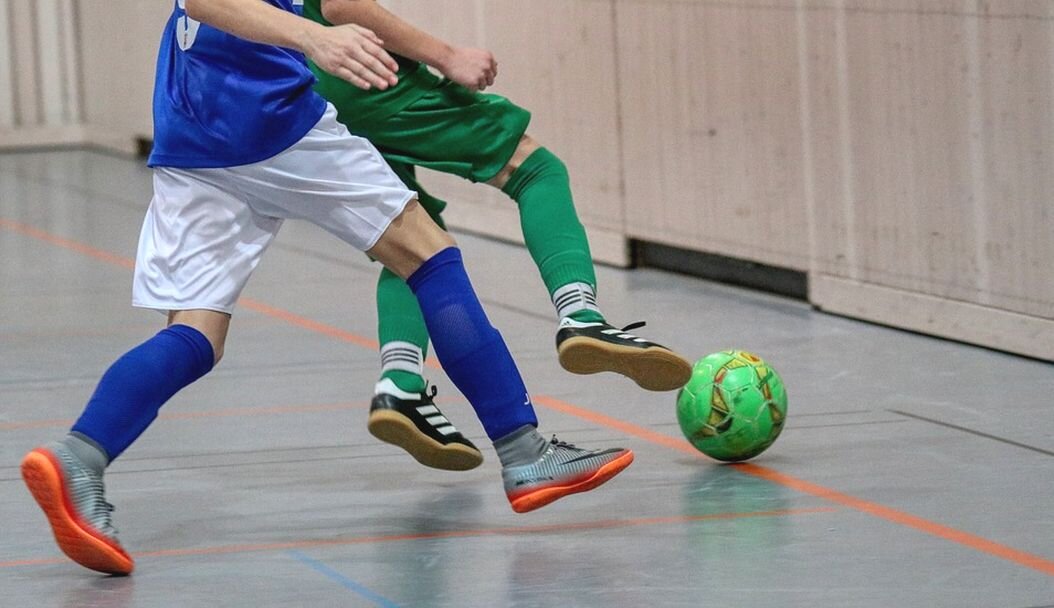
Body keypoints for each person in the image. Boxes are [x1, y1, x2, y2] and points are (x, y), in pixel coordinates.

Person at [20, 0, 633, 576]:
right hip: (267, 119)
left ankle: (80, 456)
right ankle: (523, 450)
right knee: (429, 256)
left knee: (196, 334)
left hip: (191, 126)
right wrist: (314, 36)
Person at [301, 0, 692, 471]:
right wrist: (445, 55)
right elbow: (340, 4)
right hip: (362, 70)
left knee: (412, 239)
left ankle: (400, 383)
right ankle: (581, 314)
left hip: (309, 84)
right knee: (534, 169)